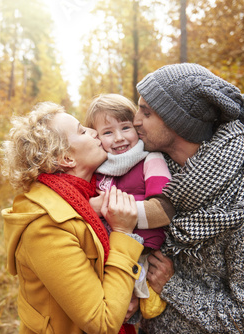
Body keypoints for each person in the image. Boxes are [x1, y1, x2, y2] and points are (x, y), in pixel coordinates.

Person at [132, 63, 244, 333]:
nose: (135, 120)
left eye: (146, 112)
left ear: (177, 121)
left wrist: (175, 288)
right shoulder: (153, 174)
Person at [1, 102, 144, 333]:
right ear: (66, 158)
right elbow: (103, 322)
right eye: (81, 131)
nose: (93, 132)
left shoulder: (87, 198)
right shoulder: (46, 226)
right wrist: (123, 233)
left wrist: (126, 291)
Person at [85, 94, 171, 320]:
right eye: (107, 132)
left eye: (125, 127)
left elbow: (164, 209)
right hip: (106, 252)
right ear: (96, 137)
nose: (119, 138)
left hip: (143, 248)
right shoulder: (98, 167)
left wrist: (113, 213)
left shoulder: (150, 158)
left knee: (137, 305)